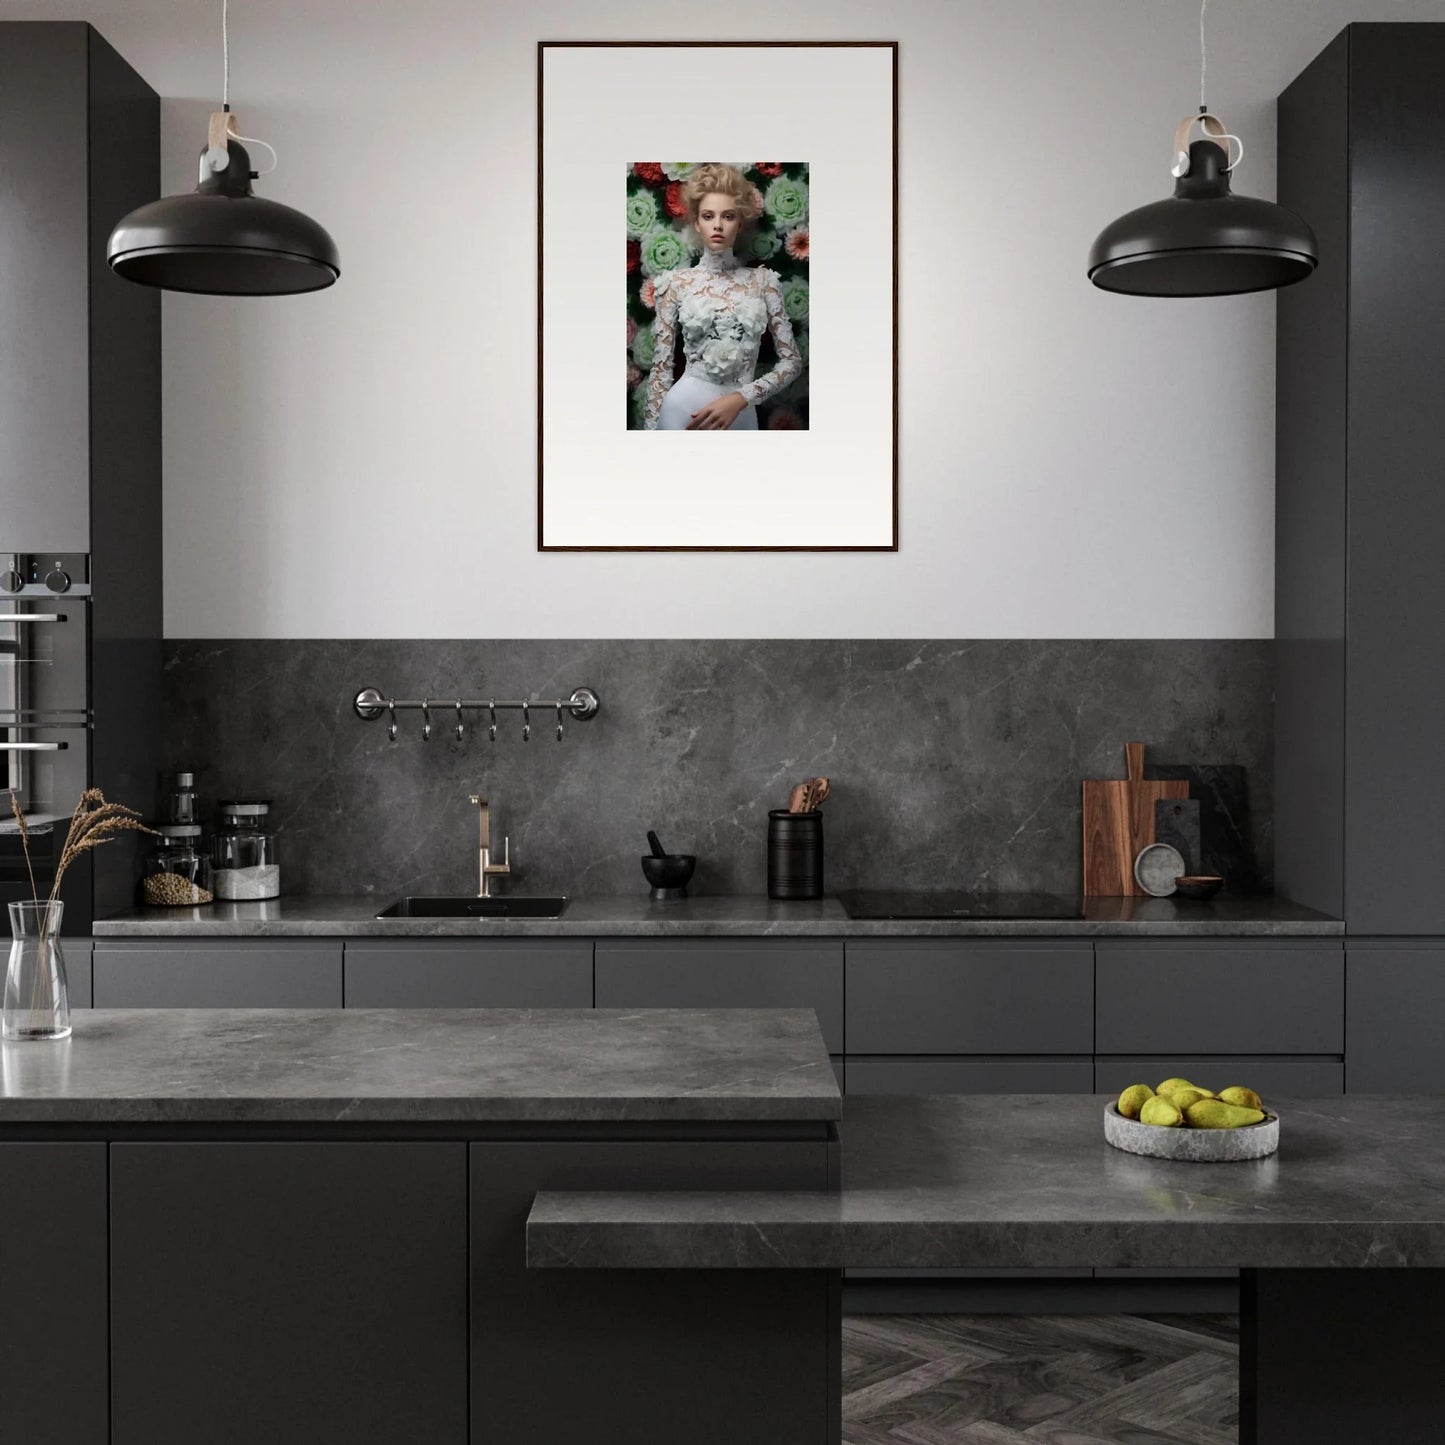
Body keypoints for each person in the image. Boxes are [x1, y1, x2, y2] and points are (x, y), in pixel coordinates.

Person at [642, 164, 803, 431]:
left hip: (739, 415)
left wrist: (742, 398)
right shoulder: (675, 283)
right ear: (696, 222)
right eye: (708, 216)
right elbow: (660, 373)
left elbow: (791, 362)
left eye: (728, 216)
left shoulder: (764, 282)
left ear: (740, 223)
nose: (717, 225)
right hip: (681, 413)